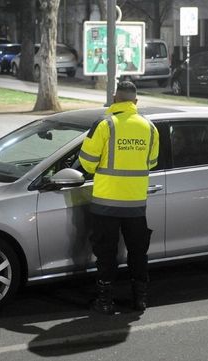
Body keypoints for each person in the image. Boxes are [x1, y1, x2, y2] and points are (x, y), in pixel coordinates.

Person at [79, 81, 159, 315]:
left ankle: (105, 301)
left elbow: (87, 163)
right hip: (136, 205)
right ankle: (140, 300)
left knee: (106, 253)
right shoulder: (150, 127)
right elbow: (151, 162)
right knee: (138, 252)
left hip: (106, 204)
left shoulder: (104, 125)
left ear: (115, 99)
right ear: (135, 102)